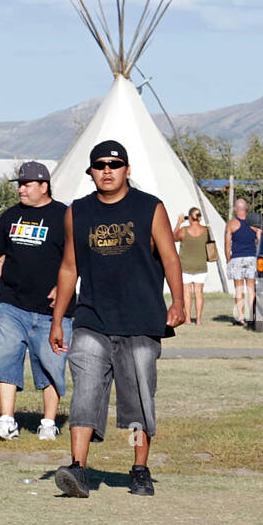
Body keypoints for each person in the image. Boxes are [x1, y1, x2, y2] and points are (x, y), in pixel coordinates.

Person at [49, 140, 186, 498]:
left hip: (141, 319)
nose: (107, 170)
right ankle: (78, 469)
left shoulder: (149, 208)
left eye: (114, 164)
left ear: (127, 170)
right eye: (99, 165)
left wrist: (179, 300)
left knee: (139, 396)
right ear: (91, 172)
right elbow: (68, 268)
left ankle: (140, 470)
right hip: (92, 319)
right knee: (85, 392)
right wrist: (57, 319)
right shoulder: (76, 212)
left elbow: (171, 257)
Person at [0, 161, 70, 441]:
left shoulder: (64, 216)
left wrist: (62, 287)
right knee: (3, 357)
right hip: (12, 305)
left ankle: (48, 423)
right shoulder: (10, 216)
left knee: (51, 364)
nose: (21, 189)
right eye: (19, 184)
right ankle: (7, 421)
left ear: (44, 186)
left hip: (52, 310)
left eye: (27, 184)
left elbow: (76, 260)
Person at [224, 197, 260, 325]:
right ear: (246, 208)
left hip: (237, 258)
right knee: (251, 288)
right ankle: (251, 315)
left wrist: (228, 258)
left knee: (239, 288)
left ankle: (240, 316)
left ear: (235, 209)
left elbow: (227, 244)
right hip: (251, 257)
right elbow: (260, 241)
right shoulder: (255, 223)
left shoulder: (231, 224)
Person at [174, 206, 209, 325]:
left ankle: (188, 318)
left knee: (187, 292)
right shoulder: (205, 231)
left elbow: (173, 237)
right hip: (201, 265)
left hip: (185, 265)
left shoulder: (184, 230)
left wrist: (178, 223)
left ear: (189, 217)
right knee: (199, 292)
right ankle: (198, 319)